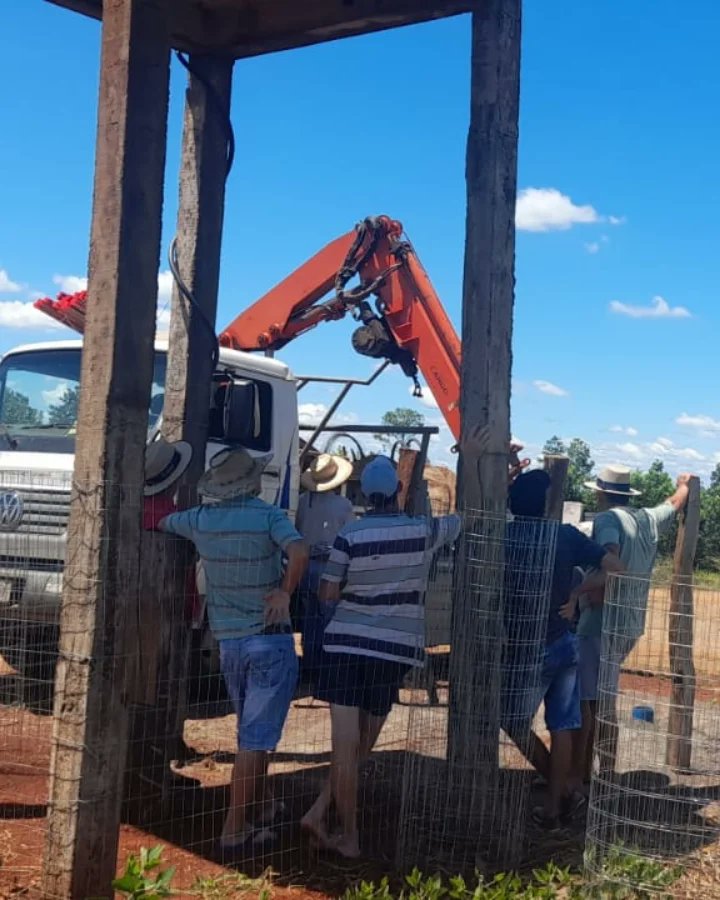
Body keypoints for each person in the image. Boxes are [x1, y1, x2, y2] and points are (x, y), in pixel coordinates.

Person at [300, 455, 460, 858]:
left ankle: (328, 818)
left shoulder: (350, 535)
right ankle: (340, 830)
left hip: (344, 645)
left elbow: (327, 593)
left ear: (365, 494)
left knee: (344, 744)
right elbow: (466, 520)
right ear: (398, 490)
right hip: (391, 651)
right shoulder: (423, 531)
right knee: (362, 745)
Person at [158, 447, 309, 853]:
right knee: (254, 741)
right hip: (269, 638)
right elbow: (299, 550)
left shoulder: (200, 521)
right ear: (252, 481)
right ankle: (234, 828)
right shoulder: (268, 516)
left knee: (252, 732)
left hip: (228, 641)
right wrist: (285, 591)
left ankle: (261, 806)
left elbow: (162, 521)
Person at [502, 470, 624, 829]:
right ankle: (557, 805)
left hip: (524, 646)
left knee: (511, 719)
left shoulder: (503, 538)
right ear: (545, 506)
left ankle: (557, 784)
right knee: (563, 725)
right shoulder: (566, 536)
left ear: (511, 504)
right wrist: (575, 594)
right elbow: (617, 567)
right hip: (564, 643)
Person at [569, 465, 692, 780]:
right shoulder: (647, 518)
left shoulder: (607, 520)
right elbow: (675, 503)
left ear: (599, 493)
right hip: (631, 622)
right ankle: (604, 771)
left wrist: (581, 590)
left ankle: (587, 775)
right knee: (603, 697)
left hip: (600, 622)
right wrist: (684, 485)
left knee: (590, 702)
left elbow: (612, 559)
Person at [295, 453, 355, 678]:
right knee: (329, 617)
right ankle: (328, 667)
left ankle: (310, 662)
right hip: (330, 568)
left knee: (310, 617)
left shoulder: (302, 502)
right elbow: (351, 535)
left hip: (305, 566)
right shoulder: (343, 505)